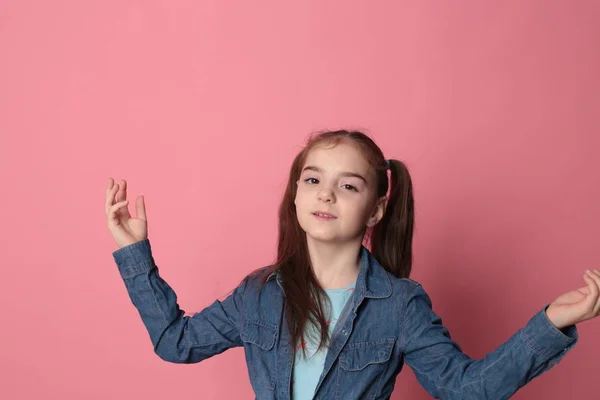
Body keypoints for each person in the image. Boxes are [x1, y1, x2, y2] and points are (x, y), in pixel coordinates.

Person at [106, 130, 598, 400]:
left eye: (348, 185)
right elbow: (176, 343)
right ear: (295, 195)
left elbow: (466, 390)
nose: (325, 193)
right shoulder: (258, 294)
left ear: (377, 209)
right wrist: (135, 254)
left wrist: (552, 322)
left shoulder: (401, 305)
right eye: (312, 179)